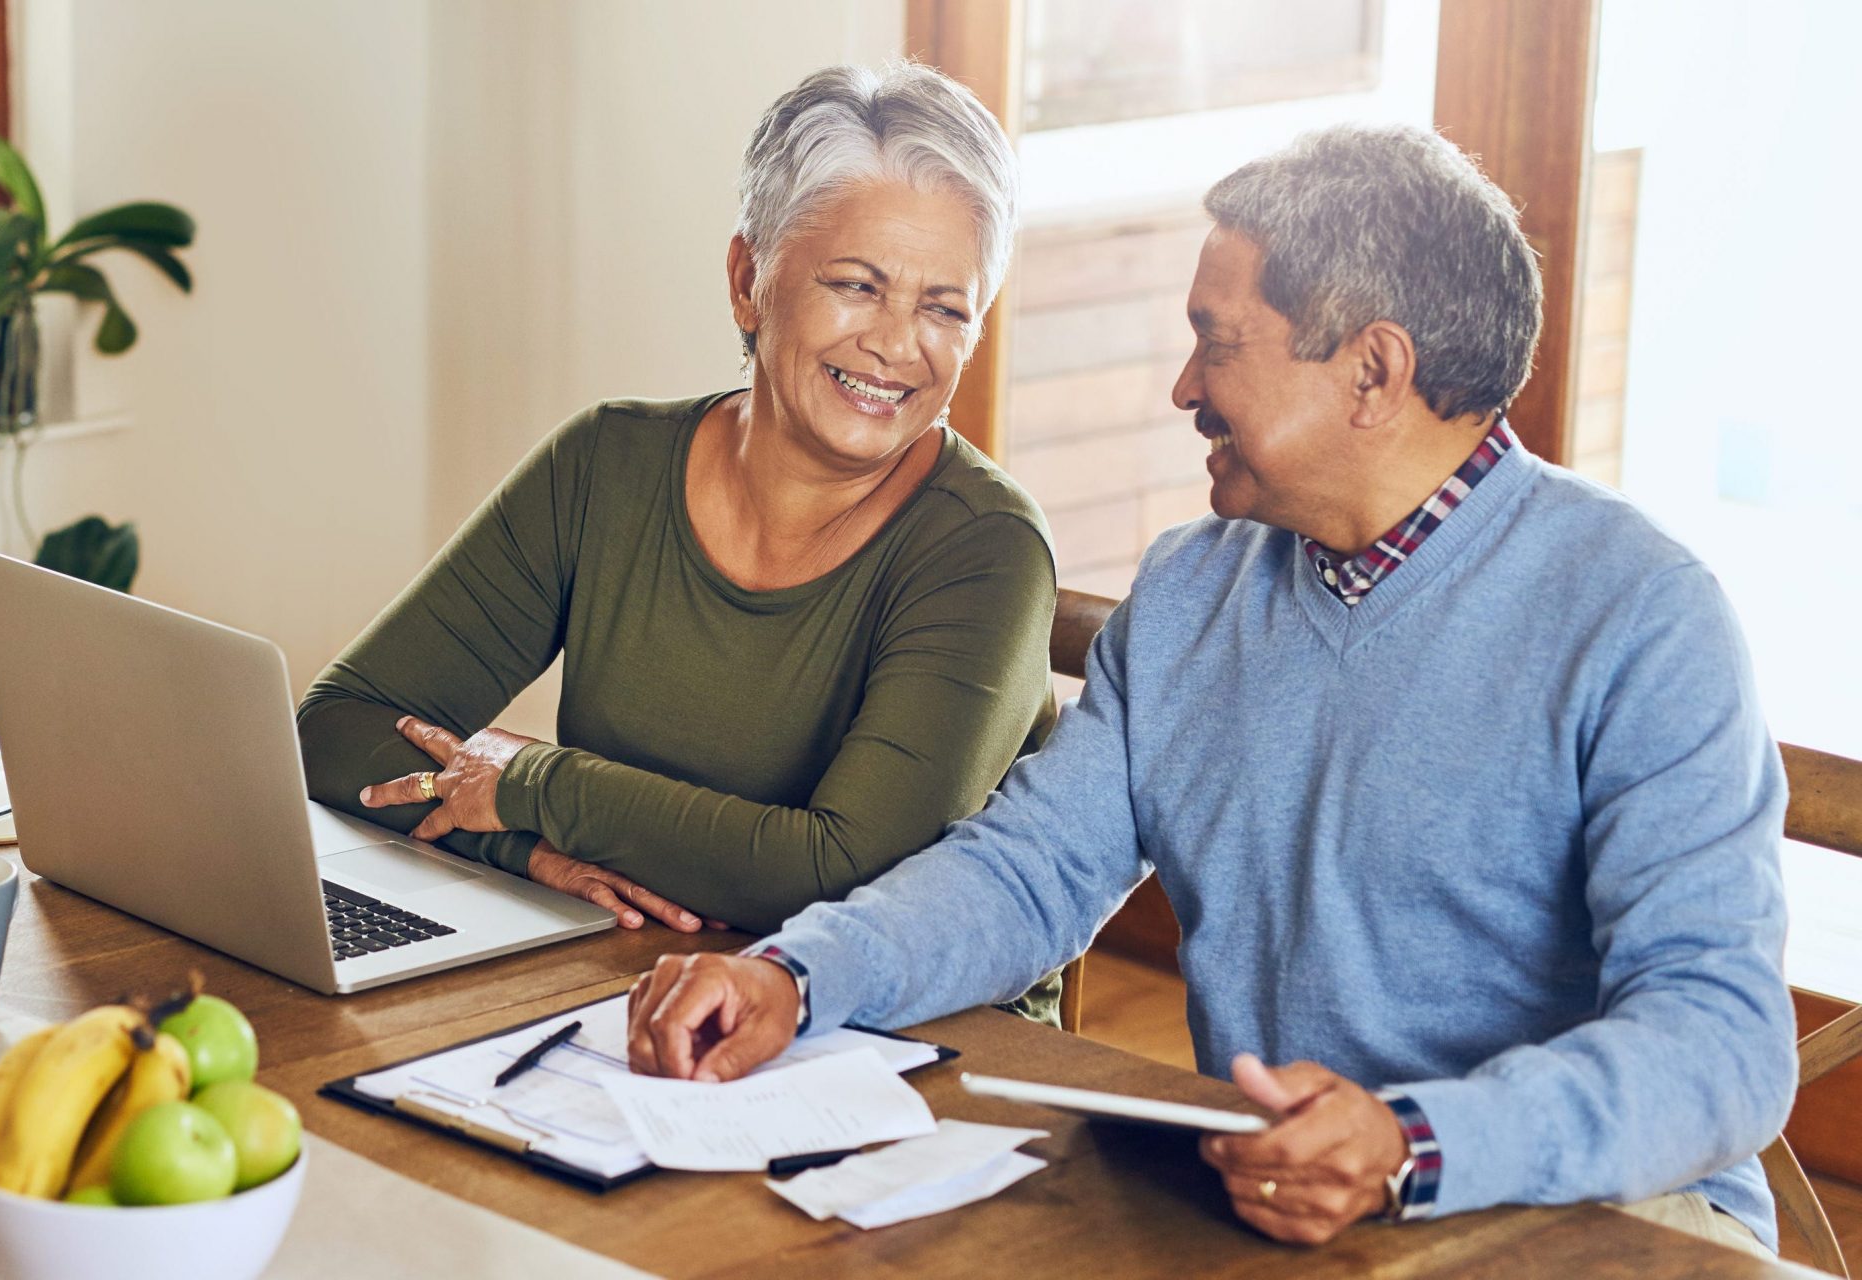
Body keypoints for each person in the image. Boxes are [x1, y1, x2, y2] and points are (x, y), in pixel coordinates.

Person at [625, 123, 1796, 1255]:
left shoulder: (1641, 615)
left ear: (1372, 370)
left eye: (1216, 340)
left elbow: (1724, 1045)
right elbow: (1026, 870)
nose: (1182, 385)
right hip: (1285, 1208)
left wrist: (1409, 1145)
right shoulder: (1192, 587)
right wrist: (796, 972)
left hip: (1600, 1221)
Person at [296, 64, 1066, 1016]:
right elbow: (336, 729)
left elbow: (851, 872)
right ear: (750, 280)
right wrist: (518, 844)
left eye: (945, 307)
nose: (897, 344)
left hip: (900, 1036)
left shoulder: (987, 549)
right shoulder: (605, 465)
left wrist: (538, 784)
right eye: (857, 286)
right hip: (629, 982)